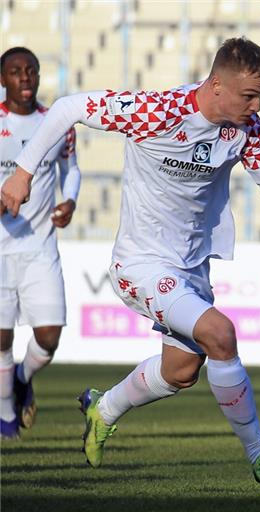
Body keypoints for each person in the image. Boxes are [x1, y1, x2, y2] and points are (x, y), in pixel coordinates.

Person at [0, 37, 260, 488]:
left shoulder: (247, 127)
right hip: (140, 264)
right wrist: (23, 172)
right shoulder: (158, 111)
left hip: (191, 267)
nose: (256, 104)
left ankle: (104, 407)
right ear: (215, 86)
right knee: (220, 335)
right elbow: (69, 107)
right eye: (249, 95)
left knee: (180, 372)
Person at [0, 47, 81, 440]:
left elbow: (72, 169)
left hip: (40, 247)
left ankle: (21, 377)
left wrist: (70, 199)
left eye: (31, 70)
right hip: (0, 250)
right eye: (15, 71)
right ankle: (5, 414)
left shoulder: (57, 123)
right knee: (0, 338)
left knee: (48, 337)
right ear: (3, 80)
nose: (25, 77)